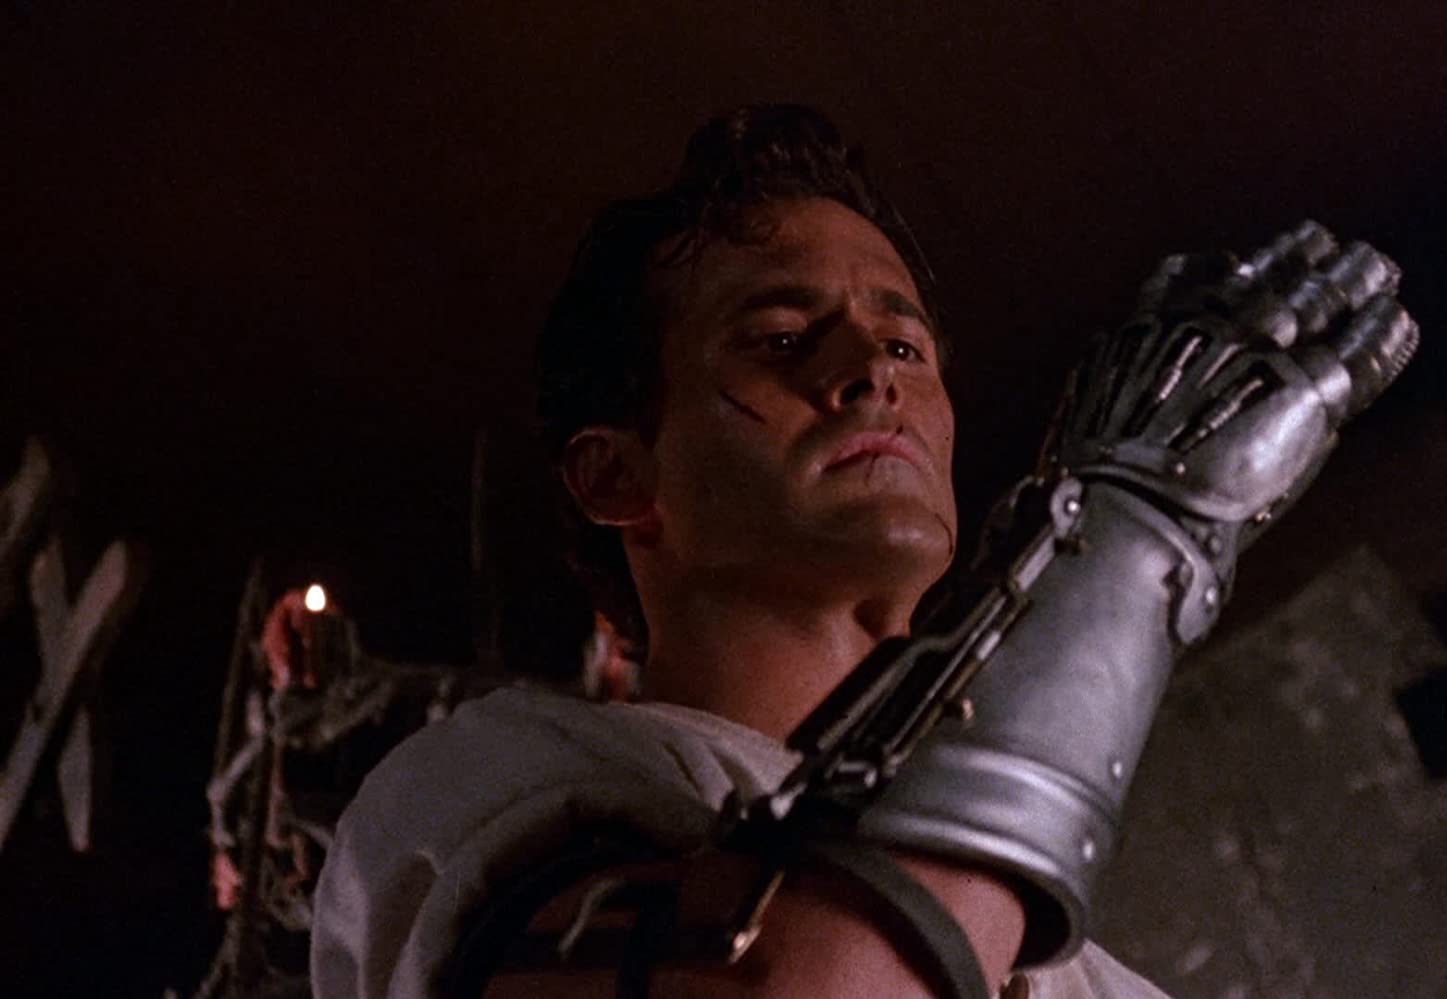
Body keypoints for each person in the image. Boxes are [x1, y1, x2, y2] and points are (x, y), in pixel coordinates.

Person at [310, 105, 1171, 997]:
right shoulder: (489, 784)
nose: (873, 371)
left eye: (903, 344)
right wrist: (1128, 561)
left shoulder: (1104, 984)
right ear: (615, 476)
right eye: (782, 340)